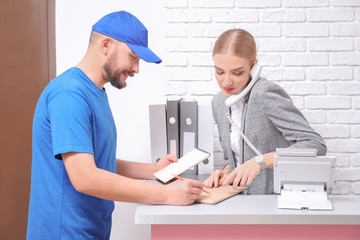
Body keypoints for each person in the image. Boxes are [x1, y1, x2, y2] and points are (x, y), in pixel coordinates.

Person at [26, 11, 203, 240]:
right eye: (133, 57)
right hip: (63, 233)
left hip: (90, 231)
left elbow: (99, 160)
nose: (136, 69)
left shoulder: (95, 92)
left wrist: (153, 170)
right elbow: (85, 177)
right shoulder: (69, 95)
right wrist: (166, 194)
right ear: (107, 45)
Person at [203, 29, 327, 194]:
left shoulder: (264, 93)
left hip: (276, 199)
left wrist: (261, 161)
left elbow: (315, 144)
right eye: (219, 72)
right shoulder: (219, 103)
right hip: (241, 201)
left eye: (237, 73)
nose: (226, 81)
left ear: (253, 66)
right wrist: (225, 172)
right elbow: (232, 158)